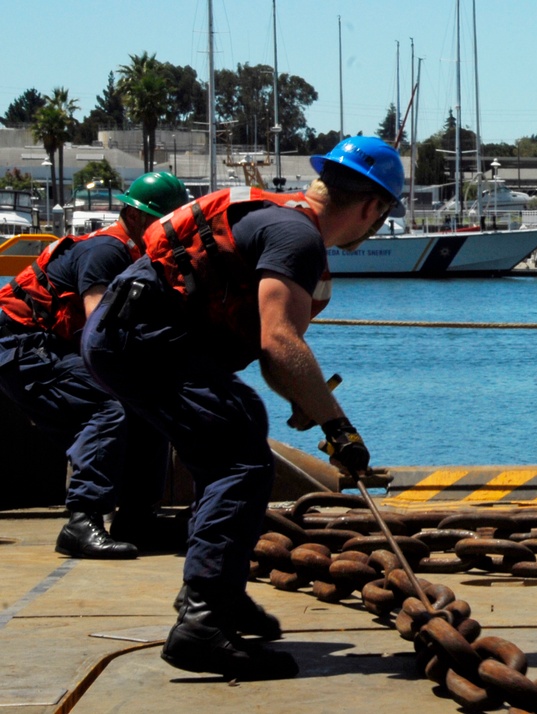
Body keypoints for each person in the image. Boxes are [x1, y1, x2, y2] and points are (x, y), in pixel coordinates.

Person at [80, 136, 404, 681]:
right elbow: (280, 341)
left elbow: (272, 354)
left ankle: (218, 597)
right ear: (373, 207)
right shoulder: (298, 239)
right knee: (241, 462)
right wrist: (339, 428)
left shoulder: (279, 221)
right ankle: (203, 619)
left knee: (240, 428)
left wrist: (304, 397)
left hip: (128, 334)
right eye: (381, 215)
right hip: (142, 341)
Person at [0, 172, 190, 559]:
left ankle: (138, 517)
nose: (170, 233)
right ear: (134, 217)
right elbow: (100, 329)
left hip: (52, 346)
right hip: (19, 346)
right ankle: (82, 521)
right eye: (162, 222)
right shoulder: (108, 252)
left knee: (150, 407)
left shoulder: (141, 256)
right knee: (107, 406)